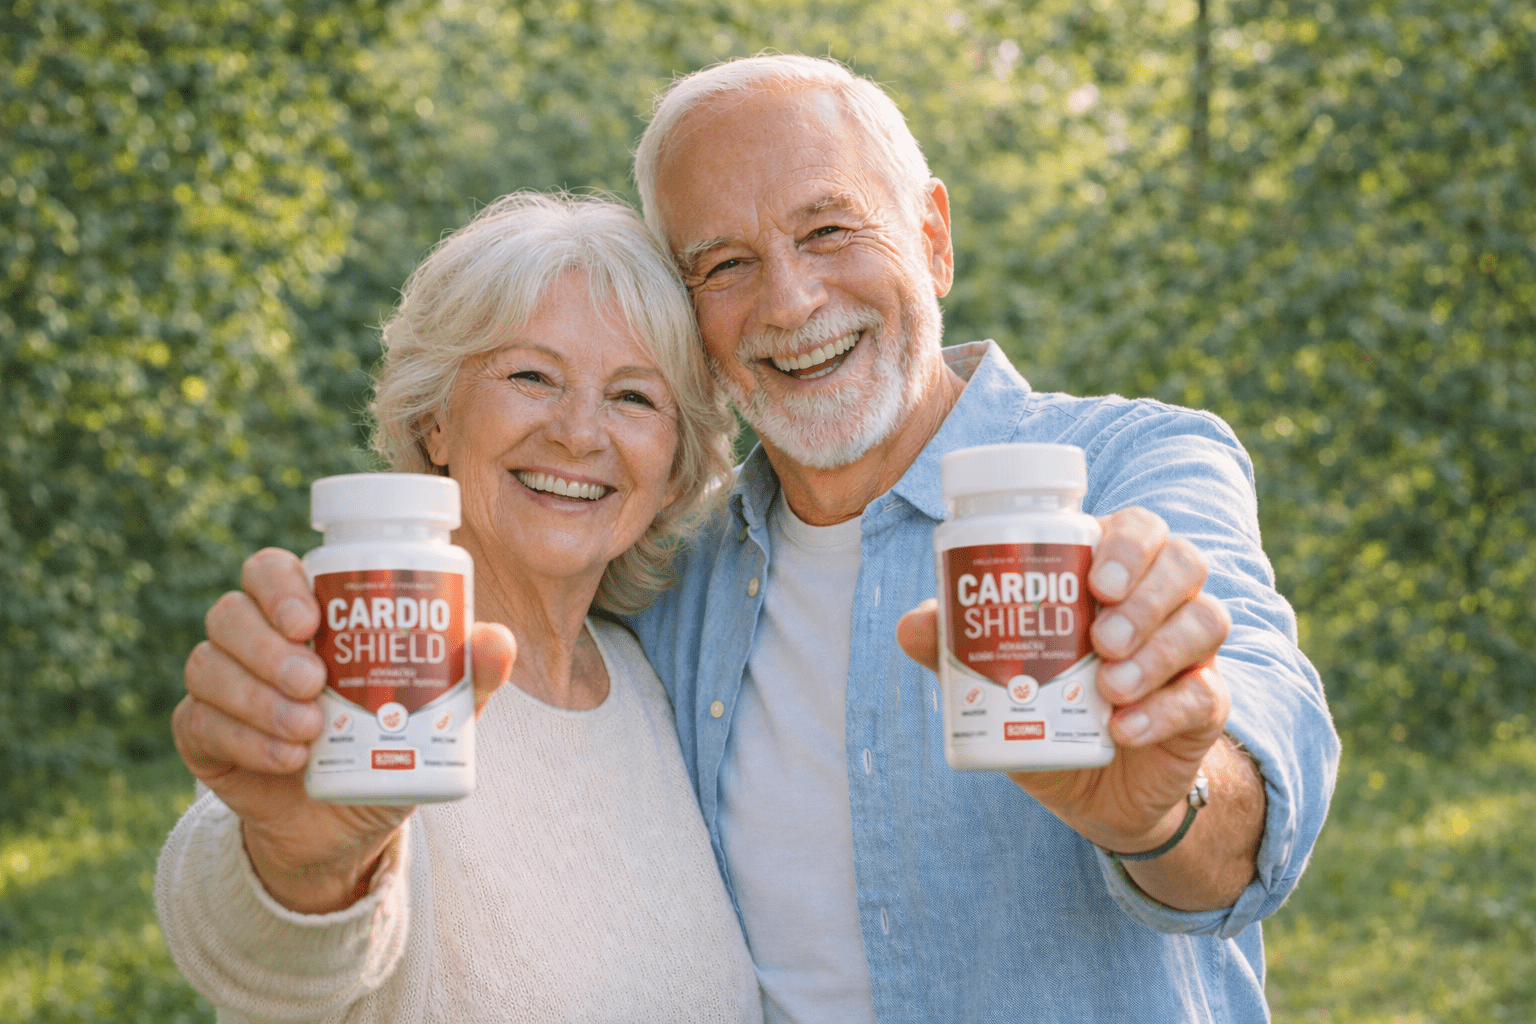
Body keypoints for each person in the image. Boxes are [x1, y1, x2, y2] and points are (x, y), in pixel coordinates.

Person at [190, 56, 1340, 1022]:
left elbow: (1256, 760)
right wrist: (298, 863)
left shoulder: (1125, 477)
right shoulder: (682, 578)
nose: (789, 303)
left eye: (830, 229)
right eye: (726, 264)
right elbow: (290, 870)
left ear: (932, 238)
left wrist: (1165, 804)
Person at [154, 193, 763, 1022]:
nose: (580, 434)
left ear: (675, 462)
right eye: (530, 376)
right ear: (435, 420)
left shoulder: (654, 681)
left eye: (633, 398)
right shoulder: (367, 664)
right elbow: (268, 956)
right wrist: (303, 873)